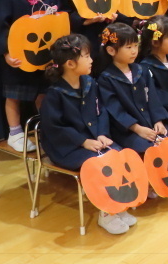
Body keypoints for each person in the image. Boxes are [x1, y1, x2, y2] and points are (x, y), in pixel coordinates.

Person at [39, 34, 136, 235]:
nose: (92, 60)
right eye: (86, 56)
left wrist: (101, 133)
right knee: (100, 165)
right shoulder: (55, 94)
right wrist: (83, 141)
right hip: (67, 147)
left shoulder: (90, 83)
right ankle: (107, 213)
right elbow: (54, 128)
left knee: (118, 155)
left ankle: (119, 205)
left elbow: (100, 111)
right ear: (70, 64)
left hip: (93, 139)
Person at [0, 0, 60, 151]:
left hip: (45, 57)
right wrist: (5, 54)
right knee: (14, 95)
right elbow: (0, 28)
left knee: (43, 92)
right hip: (19, 57)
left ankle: (46, 127)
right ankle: (15, 132)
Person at [96, 23, 168, 154]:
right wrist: (137, 129)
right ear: (111, 50)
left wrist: (158, 120)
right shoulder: (106, 78)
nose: (134, 51)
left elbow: (153, 98)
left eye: (136, 46)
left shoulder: (141, 70)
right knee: (148, 150)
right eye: (128, 47)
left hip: (150, 123)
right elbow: (115, 110)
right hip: (127, 130)